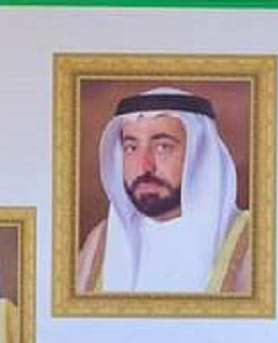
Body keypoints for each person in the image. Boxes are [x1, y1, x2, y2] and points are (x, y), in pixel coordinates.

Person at [77, 87, 250, 293]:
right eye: (131, 148)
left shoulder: (251, 242)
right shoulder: (100, 242)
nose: (144, 166)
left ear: (201, 157)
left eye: (163, 147)